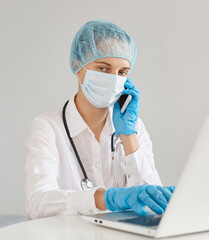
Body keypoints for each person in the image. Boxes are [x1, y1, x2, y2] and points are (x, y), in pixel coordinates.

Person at [25, 20, 174, 220]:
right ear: (76, 65)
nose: (114, 79)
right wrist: (108, 199)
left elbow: (152, 202)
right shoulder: (48, 126)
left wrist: (129, 137)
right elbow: (38, 203)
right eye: (103, 69)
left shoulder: (133, 126)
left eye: (122, 72)